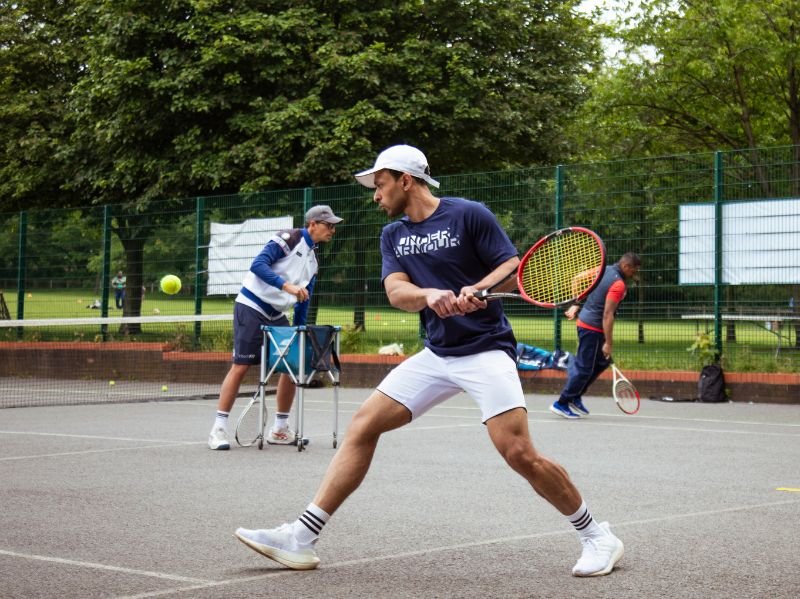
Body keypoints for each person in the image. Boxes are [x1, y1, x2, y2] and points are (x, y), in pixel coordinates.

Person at [234, 144, 624, 577]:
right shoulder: (393, 235)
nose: (375, 196)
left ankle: (597, 536)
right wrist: (429, 295)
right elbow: (397, 291)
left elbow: (512, 266)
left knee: (517, 452)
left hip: (487, 351)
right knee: (363, 425)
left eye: (380, 185)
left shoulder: (468, 214)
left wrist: (478, 288)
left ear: (406, 180)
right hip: (437, 354)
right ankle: (301, 539)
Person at [207, 205, 343, 450]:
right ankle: (218, 429)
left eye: (334, 226)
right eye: (328, 225)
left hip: (276, 314)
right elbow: (258, 265)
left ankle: (279, 430)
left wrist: (299, 332)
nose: (332, 230)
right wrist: (286, 286)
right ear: (312, 224)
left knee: (292, 365)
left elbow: (304, 300)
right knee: (241, 366)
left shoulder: (313, 262)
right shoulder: (287, 239)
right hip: (252, 306)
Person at [549, 253, 642, 419]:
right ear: (626, 266)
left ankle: (575, 396)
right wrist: (608, 342)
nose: (635, 274)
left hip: (586, 324)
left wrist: (576, 303)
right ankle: (562, 403)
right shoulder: (618, 284)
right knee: (584, 368)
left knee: (601, 362)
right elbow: (608, 314)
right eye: (634, 270)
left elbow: (577, 279)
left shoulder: (602, 269)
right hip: (592, 328)